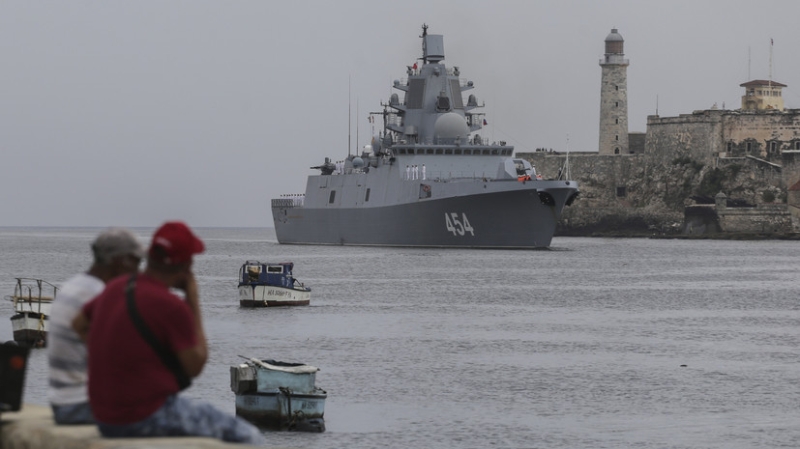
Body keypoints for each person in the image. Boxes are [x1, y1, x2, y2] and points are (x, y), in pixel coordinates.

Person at [73, 221, 264, 444]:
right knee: (250, 437)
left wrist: (113, 357)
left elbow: (78, 324)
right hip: (145, 416)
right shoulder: (171, 306)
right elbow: (195, 366)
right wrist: (192, 299)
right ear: (187, 265)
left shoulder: (118, 286)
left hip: (105, 417)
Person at [48, 228, 145, 425]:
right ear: (120, 262)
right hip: (85, 406)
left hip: (62, 402)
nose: (138, 271)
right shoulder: (100, 295)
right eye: (136, 262)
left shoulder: (72, 286)